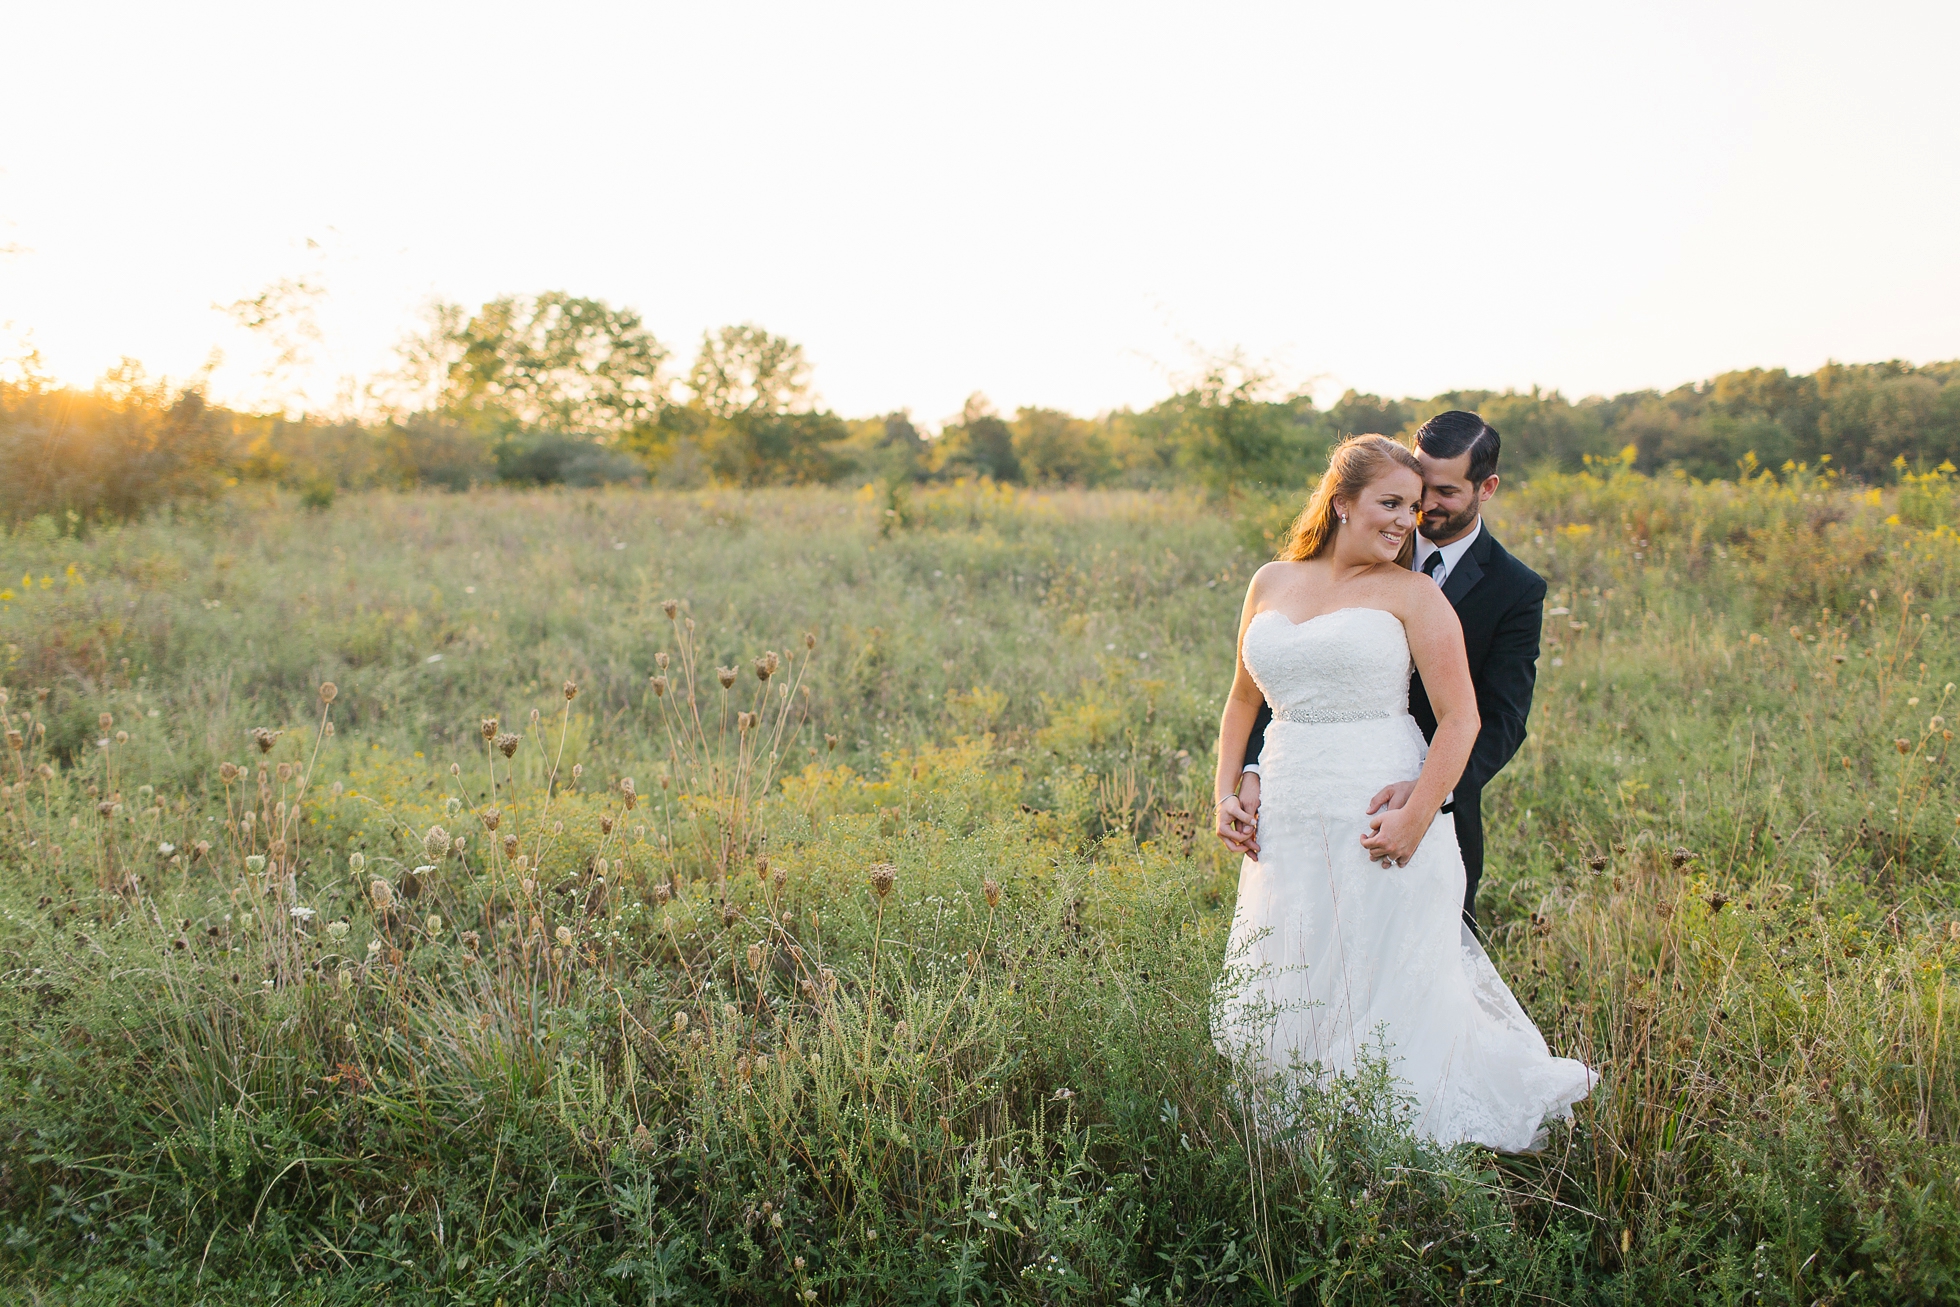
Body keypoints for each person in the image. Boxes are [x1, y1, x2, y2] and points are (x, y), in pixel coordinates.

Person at [1208, 433, 1592, 1151]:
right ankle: (1303, 1142)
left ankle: (1389, 1147)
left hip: (1378, 813)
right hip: (1286, 821)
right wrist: (1227, 790)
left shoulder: (1412, 591)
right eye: (1390, 502)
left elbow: (1466, 718)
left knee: (1384, 983)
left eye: (1415, 506)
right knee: (1298, 968)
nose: (1406, 521)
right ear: (1341, 501)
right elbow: (1240, 703)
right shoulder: (1270, 581)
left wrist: (1419, 812)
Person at [1219, 411, 1544, 934]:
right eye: (1406, 496)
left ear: (1485, 488)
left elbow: (1496, 717)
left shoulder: (1514, 589)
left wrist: (1425, 800)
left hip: (1415, 798)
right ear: (1344, 502)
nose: (1418, 514)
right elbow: (1277, 684)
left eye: (1438, 494)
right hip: (1294, 799)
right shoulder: (1299, 572)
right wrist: (1250, 771)